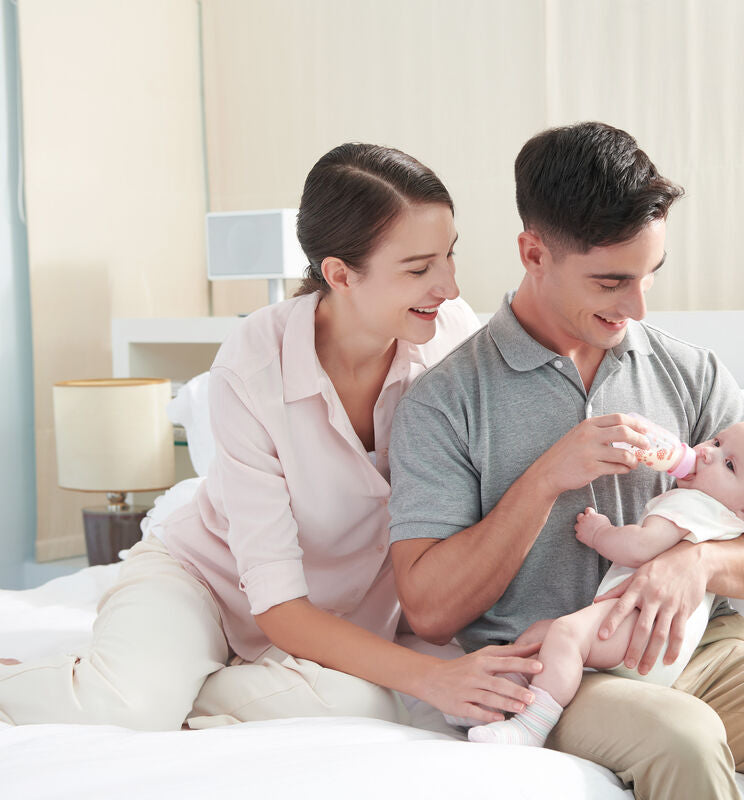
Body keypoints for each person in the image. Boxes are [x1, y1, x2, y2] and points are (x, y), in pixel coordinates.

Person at [388, 121, 744, 800]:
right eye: (612, 281)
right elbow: (430, 609)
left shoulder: (688, 370)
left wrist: (695, 562)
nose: (638, 306)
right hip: (563, 670)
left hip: (703, 650)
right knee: (685, 740)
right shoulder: (445, 401)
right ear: (533, 253)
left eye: (648, 276)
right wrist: (548, 477)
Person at [0, 142, 541, 730]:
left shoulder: (454, 343)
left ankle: (188, 689)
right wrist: (432, 678)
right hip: (208, 583)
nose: (450, 287)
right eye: (418, 269)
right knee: (126, 705)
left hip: (351, 618)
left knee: (357, 707)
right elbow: (281, 607)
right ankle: (105, 682)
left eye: (449, 256)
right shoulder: (254, 364)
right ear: (339, 274)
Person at [468, 420, 744, 747]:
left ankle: (530, 727)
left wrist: (600, 532)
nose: (708, 451)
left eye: (729, 465)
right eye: (716, 441)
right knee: (537, 637)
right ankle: (499, 703)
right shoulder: (732, 524)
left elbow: (638, 547)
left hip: (640, 627)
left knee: (564, 634)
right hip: (663, 648)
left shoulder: (695, 505)